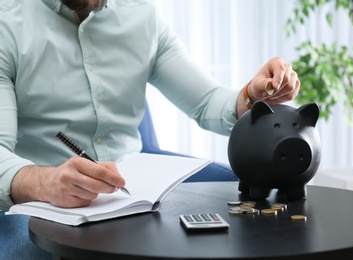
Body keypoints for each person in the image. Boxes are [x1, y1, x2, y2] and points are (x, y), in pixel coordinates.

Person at [0, 0, 300, 258]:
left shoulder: (141, 16)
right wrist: (45, 183)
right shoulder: (7, 22)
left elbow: (207, 102)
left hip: (130, 195)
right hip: (34, 203)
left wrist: (253, 95)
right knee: (27, 248)